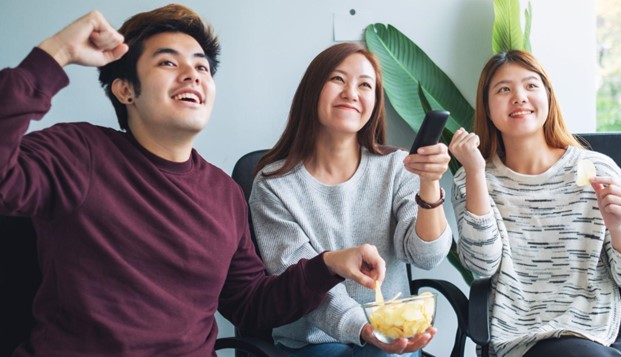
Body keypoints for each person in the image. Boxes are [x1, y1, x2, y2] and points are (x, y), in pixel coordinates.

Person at [0, 5, 388, 357]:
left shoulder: (225, 193)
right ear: (125, 89)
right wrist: (57, 54)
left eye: (202, 67)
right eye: (168, 63)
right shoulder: (77, 152)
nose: (192, 75)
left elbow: (249, 302)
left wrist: (329, 265)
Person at [249, 42, 453, 356]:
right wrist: (365, 327)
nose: (351, 93)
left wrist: (429, 182)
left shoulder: (397, 168)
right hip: (312, 339)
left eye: (365, 85)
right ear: (312, 90)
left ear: (374, 101)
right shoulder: (274, 185)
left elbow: (426, 256)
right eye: (337, 79)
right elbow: (300, 283)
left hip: (389, 335)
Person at [449, 49, 621, 357]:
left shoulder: (599, 170)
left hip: (599, 328)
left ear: (548, 97)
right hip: (522, 338)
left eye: (531, 85)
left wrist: (620, 228)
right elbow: (482, 265)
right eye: (504, 89)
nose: (519, 96)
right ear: (487, 108)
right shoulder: (471, 177)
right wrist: (476, 172)